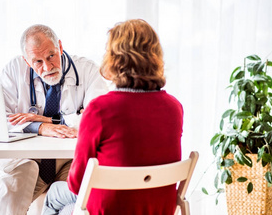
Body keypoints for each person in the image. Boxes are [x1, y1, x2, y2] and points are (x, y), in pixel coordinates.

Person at [42, 19, 184, 215]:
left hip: (111, 208)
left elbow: (77, 184)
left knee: (53, 195)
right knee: (68, 209)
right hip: (157, 208)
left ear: (114, 59)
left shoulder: (100, 110)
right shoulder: (174, 108)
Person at [0, 24, 109, 215]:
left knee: (74, 207)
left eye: (51, 56)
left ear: (60, 47)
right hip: (27, 159)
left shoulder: (87, 71)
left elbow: (98, 120)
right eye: (37, 61)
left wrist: (47, 121)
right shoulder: (13, 71)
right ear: (27, 61)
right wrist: (38, 127)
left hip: (69, 160)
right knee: (9, 197)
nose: (47, 67)